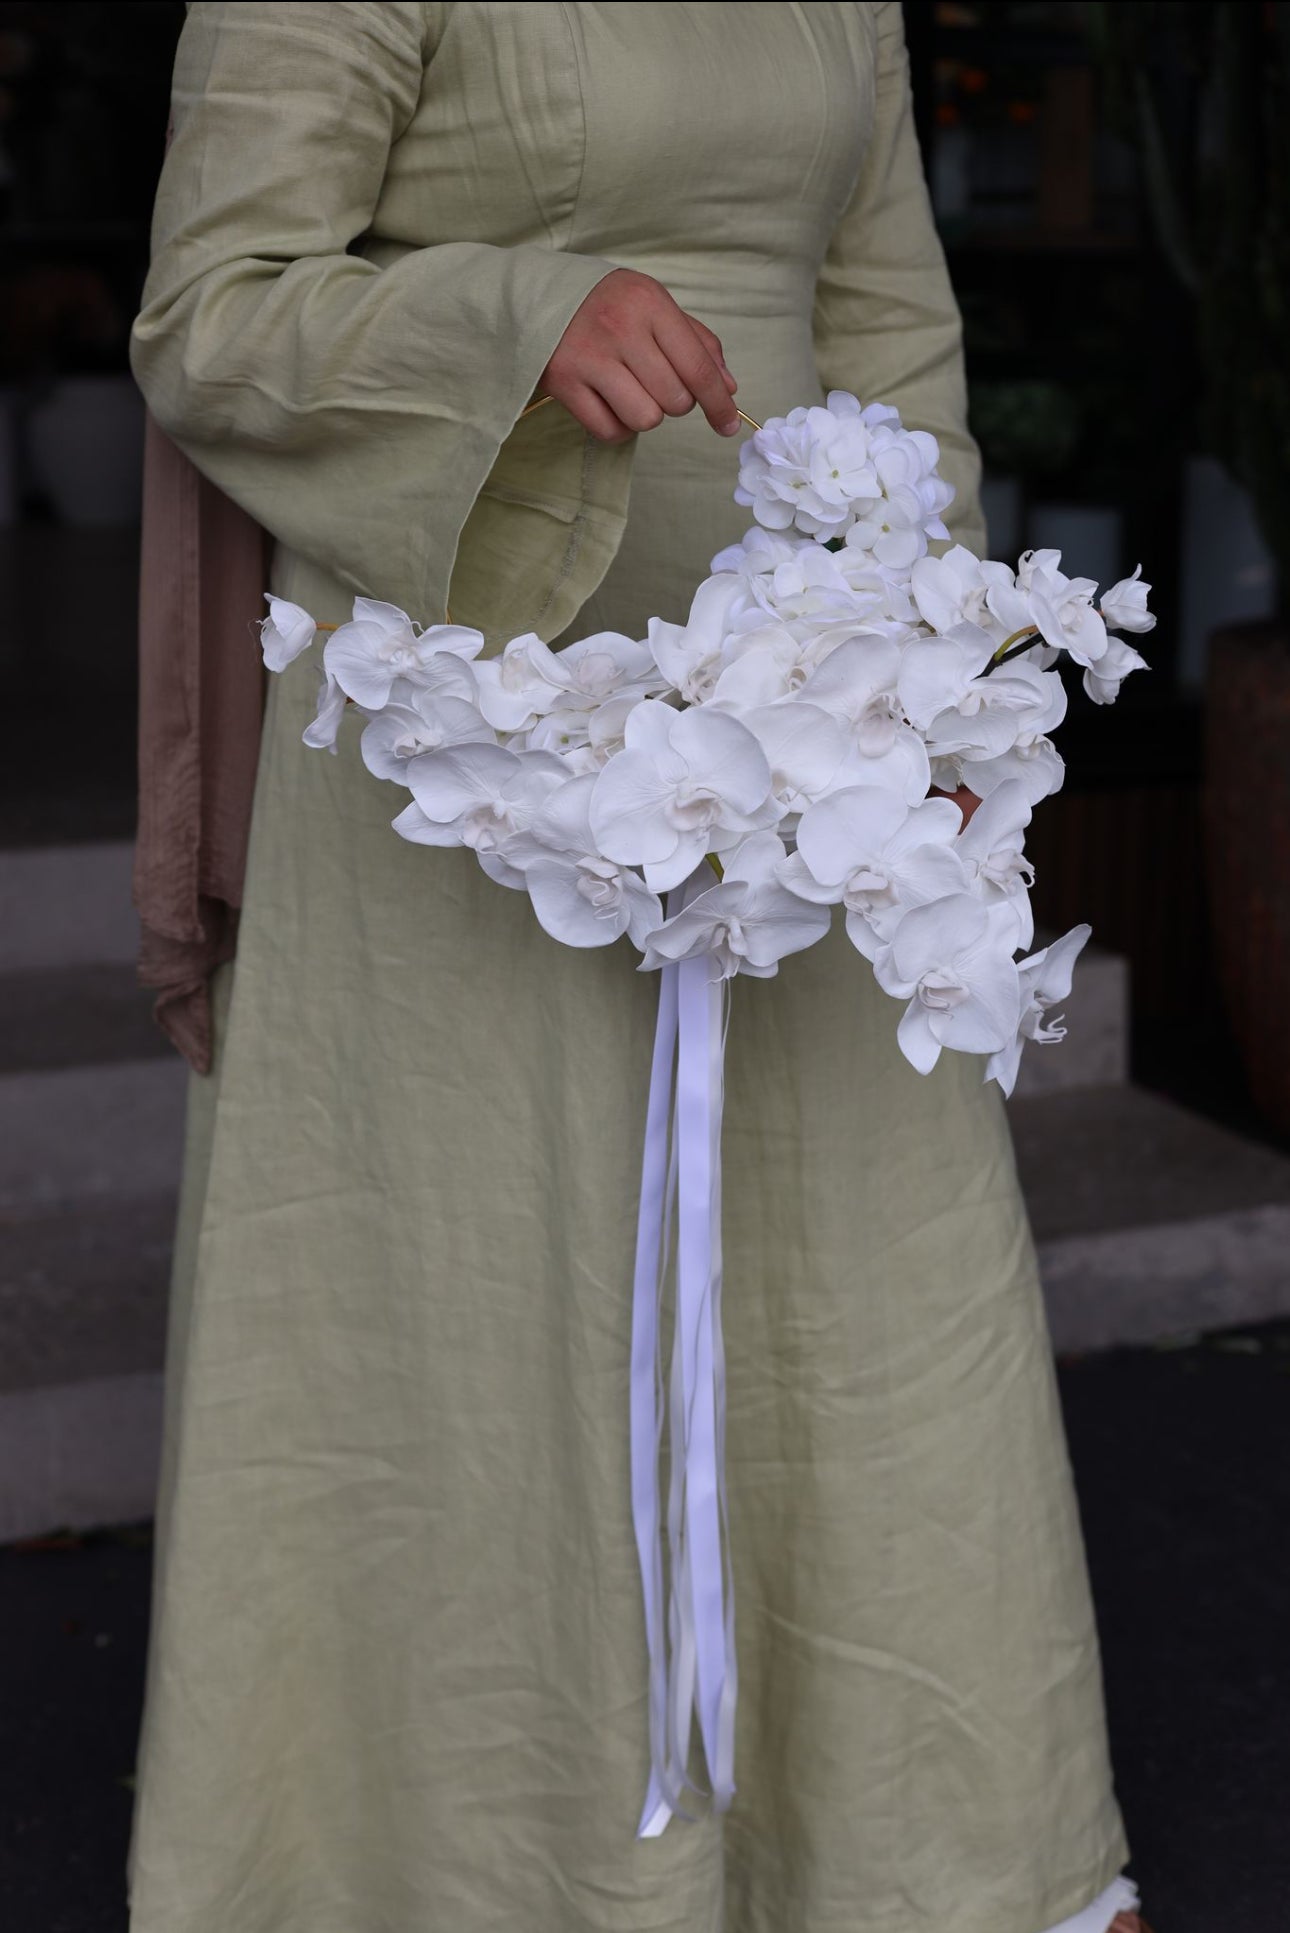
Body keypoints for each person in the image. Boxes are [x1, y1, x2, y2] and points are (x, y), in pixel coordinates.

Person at [126, 6, 1150, 1929]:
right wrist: (514, 320)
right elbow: (212, 309)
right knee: (496, 1299)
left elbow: (890, 316)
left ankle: (912, 1874)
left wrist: (929, 653)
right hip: (470, 724)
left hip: (806, 722)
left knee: (864, 1294)